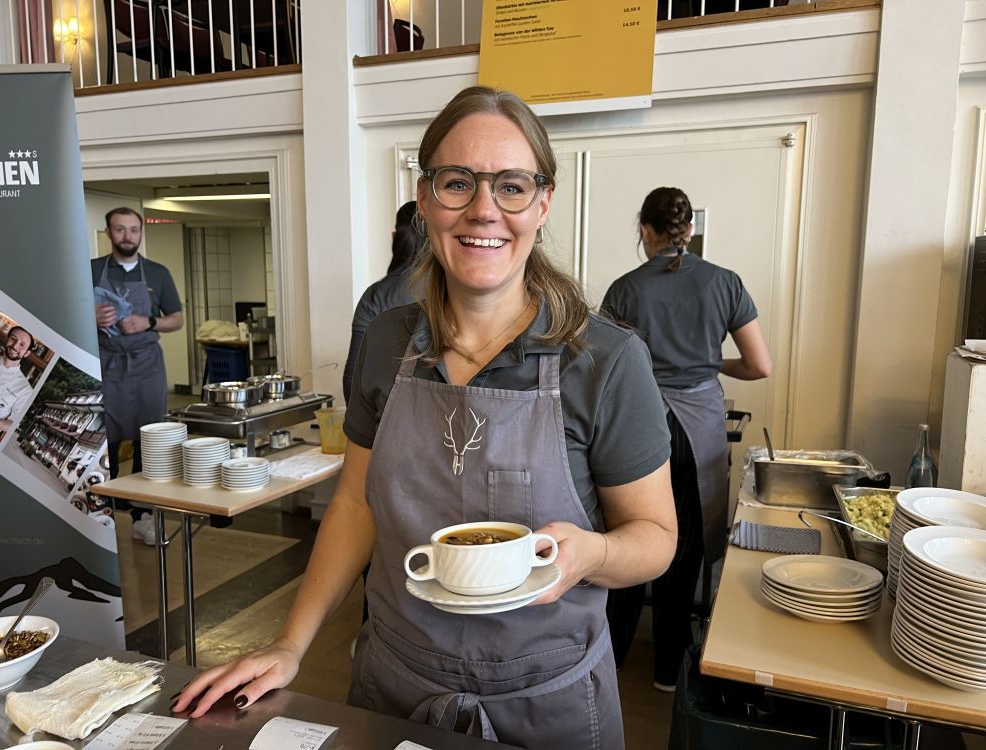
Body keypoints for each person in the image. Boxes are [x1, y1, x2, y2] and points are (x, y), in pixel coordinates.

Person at [174, 86, 678, 749]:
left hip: (547, 703)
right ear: (424, 196)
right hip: (394, 688)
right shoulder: (386, 343)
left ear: (543, 202)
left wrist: (593, 555)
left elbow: (656, 536)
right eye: (457, 182)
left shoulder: (608, 359)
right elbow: (355, 505)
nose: (483, 210)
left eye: (511, 186)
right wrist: (291, 643)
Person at [601, 186, 772, 691]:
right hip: (700, 428)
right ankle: (666, 673)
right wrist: (705, 363)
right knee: (685, 545)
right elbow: (760, 365)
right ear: (689, 230)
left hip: (640, 422)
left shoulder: (624, 289)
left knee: (628, 535)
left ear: (645, 231)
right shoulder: (725, 283)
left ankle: (608, 662)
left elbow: (606, 366)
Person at [92, 207, 184, 545]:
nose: (128, 236)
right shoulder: (90, 271)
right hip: (106, 364)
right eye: (120, 229)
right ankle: (99, 517)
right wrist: (91, 317)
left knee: (150, 440)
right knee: (104, 440)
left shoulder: (158, 274)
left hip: (146, 367)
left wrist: (149, 322)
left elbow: (177, 319)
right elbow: (64, 315)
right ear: (108, 231)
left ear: (141, 232)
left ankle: (143, 516)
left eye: (134, 229)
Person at [342, 200, 421, 404]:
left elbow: (352, 382)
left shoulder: (376, 297)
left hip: (384, 422)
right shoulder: (459, 293)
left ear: (395, 237)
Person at [0, 326, 34, 448]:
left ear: (27, 353)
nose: (15, 346)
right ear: (7, 339)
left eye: (22, 345)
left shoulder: (25, 389)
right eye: (13, 339)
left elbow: (13, 425)